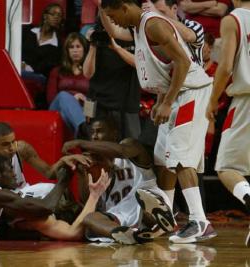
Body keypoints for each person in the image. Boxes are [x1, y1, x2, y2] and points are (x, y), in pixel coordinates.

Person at [101, 0, 216, 243]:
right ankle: (167, 220)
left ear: (124, 7)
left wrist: (166, 101)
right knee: (163, 160)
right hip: (175, 95)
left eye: (113, 16)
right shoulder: (138, 27)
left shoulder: (153, 24)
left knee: (180, 157)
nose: (114, 21)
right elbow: (166, 67)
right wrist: (161, 100)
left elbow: (183, 63)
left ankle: (200, 221)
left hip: (190, 92)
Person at [63, 117, 175, 244]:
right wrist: (82, 174)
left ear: (114, 134)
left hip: (147, 198)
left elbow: (122, 151)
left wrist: (80, 143)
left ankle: (161, 220)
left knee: (144, 200)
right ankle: (130, 235)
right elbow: (87, 202)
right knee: (89, 218)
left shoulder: (131, 145)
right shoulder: (92, 164)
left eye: (99, 131)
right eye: (92, 133)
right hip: (122, 213)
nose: (94, 136)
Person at [205, 0, 250, 247]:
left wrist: (212, 100)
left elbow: (224, 67)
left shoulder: (233, 20)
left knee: (226, 167)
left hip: (245, 101)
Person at [47, 32, 90, 137]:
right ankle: (84, 130)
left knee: (65, 116)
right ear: (67, 51)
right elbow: (51, 99)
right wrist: (72, 98)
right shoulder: (57, 71)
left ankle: (79, 136)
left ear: (84, 49)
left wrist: (84, 100)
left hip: (82, 111)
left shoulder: (90, 72)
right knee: (63, 96)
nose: (75, 50)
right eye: (71, 47)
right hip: (56, 109)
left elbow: (94, 99)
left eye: (78, 46)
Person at [22, 3, 64, 79]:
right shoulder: (27, 31)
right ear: (45, 16)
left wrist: (26, 67)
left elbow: (45, 68)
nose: (56, 17)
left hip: (39, 77)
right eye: (53, 14)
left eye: (59, 15)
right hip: (18, 68)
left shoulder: (58, 45)